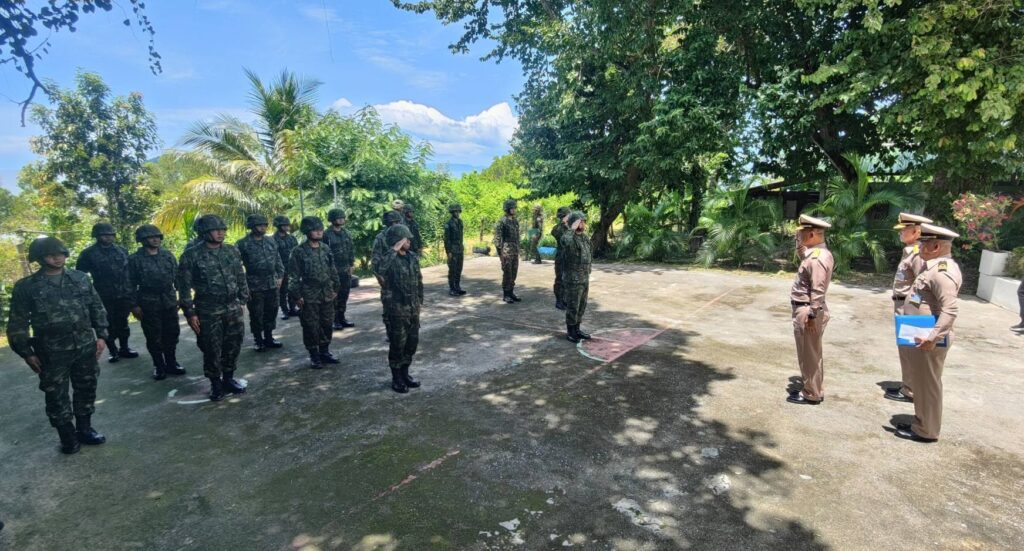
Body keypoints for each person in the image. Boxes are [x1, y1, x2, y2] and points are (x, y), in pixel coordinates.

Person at [8, 236, 109, 454]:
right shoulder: (26, 287)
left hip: (84, 345)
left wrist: (102, 335)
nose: (57, 258)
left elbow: (96, 307)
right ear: (39, 258)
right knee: (56, 394)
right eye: (51, 255)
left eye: (60, 254)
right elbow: (18, 323)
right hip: (51, 352)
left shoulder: (80, 278)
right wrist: (26, 352)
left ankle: (85, 429)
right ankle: (67, 436)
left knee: (86, 387)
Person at [893, 224, 962, 443]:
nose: (920, 246)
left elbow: (950, 310)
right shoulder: (932, 267)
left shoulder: (942, 272)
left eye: (924, 243)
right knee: (922, 384)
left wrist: (933, 338)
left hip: (928, 339)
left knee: (928, 385)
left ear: (935, 246)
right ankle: (921, 422)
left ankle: (926, 430)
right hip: (921, 334)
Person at [177, 214, 250, 401]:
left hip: (232, 306)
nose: (221, 233)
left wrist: (242, 300)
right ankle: (215, 383)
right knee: (211, 347)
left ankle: (229, 379)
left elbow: (240, 276)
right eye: (216, 230)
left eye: (223, 229)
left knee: (233, 344)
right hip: (208, 309)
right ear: (204, 232)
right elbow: (184, 288)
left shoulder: (231, 251)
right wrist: (190, 313)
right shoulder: (191, 255)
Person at [786, 214, 835, 405]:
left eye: (802, 233)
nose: (799, 236)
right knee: (809, 353)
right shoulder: (815, 254)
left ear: (812, 234)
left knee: (809, 355)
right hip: (806, 308)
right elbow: (802, 256)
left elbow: (818, 289)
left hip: (807, 310)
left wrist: (813, 315)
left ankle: (812, 393)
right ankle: (813, 388)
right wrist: (798, 242)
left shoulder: (817, 258)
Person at [128, 224, 185, 380]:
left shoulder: (167, 255)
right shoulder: (134, 259)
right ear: (142, 240)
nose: (155, 239)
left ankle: (171, 363)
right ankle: (159, 366)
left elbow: (178, 277)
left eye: (157, 236)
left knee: (172, 333)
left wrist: (181, 296)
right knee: (154, 336)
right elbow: (129, 284)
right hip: (148, 301)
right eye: (151, 237)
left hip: (169, 299)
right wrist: (134, 305)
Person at [885, 212, 932, 402]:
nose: (900, 233)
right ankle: (908, 384)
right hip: (902, 303)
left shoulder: (918, 254)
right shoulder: (910, 251)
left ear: (916, 232)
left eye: (904, 230)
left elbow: (922, 285)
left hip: (908, 305)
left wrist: (912, 308)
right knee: (905, 348)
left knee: (910, 349)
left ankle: (911, 389)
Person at [76, 222, 138, 363]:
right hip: (102, 295)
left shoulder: (121, 250)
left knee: (122, 322)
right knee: (107, 323)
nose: (108, 237)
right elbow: (80, 275)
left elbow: (128, 272)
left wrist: (130, 291)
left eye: (111, 235)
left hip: (122, 294)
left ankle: (124, 348)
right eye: (104, 235)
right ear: (97, 236)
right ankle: (113, 350)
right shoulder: (88, 254)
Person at [289, 216, 341, 369]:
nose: (319, 232)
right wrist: (297, 296)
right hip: (309, 294)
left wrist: (336, 288)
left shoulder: (325, 248)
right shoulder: (298, 251)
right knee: (310, 325)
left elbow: (332, 269)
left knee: (327, 323)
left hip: (326, 292)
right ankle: (314, 354)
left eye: (320, 229)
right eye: (315, 230)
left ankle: (324, 351)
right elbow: (293, 276)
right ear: (307, 231)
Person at [378, 224, 424, 393]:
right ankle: (396, 378)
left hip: (412, 308)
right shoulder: (389, 259)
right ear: (397, 241)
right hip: (396, 309)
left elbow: (418, 280)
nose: (409, 241)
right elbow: (379, 269)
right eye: (405, 239)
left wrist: (419, 301)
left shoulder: (412, 257)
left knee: (412, 343)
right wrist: (394, 250)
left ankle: (405, 373)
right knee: (398, 344)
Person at [236, 214, 286, 352]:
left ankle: (269, 337)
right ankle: (258, 340)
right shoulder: (242, 244)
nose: (262, 227)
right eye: (259, 225)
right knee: (256, 313)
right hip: (254, 284)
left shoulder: (270, 241)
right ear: (252, 226)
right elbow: (237, 266)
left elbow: (277, 259)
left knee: (272, 311)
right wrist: (243, 287)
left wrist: (280, 276)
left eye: (264, 225)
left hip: (272, 283)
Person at [561, 211, 593, 343]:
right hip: (572, 279)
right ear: (574, 223)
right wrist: (571, 229)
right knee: (573, 306)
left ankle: (577, 329)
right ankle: (571, 332)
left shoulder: (584, 238)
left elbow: (589, 253)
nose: (583, 224)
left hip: (584, 277)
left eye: (583, 221)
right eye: (580, 221)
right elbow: (565, 242)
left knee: (581, 306)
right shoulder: (568, 237)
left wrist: (588, 270)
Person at [373, 211, 405, 339]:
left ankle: (403, 331)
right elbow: (375, 260)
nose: (395, 225)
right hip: (388, 278)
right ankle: (390, 333)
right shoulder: (380, 238)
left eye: (397, 222)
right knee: (389, 307)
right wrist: (379, 276)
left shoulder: (403, 234)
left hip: (403, 275)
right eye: (392, 223)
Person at [324, 208, 356, 330]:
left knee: (344, 294)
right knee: (334, 295)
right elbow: (324, 252)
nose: (342, 220)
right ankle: (334, 320)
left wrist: (351, 264)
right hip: (333, 270)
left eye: (343, 218)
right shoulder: (326, 234)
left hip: (345, 269)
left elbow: (351, 249)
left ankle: (342, 318)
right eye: (339, 218)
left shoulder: (346, 233)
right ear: (332, 219)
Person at [494, 198, 522, 303]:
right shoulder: (502, 222)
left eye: (515, 208)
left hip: (514, 250)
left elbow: (517, 236)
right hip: (506, 251)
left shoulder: (515, 221)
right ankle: (506, 294)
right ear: (507, 209)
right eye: (512, 208)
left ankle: (511, 292)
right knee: (507, 273)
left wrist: (518, 248)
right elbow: (497, 239)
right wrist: (500, 254)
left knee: (514, 272)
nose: (514, 210)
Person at [273, 216, 301, 320]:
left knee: (292, 288)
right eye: (284, 225)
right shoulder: (273, 239)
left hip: (292, 267)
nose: (286, 227)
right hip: (280, 268)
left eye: (287, 225)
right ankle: (285, 310)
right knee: (282, 291)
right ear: (278, 226)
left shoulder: (292, 238)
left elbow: (297, 251)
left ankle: (292, 308)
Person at [444, 203, 467, 296]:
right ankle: (452, 288)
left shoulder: (460, 222)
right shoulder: (448, 224)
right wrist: (448, 251)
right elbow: (447, 239)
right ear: (452, 212)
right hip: (452, 250)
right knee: (452, 270)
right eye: (455, 212)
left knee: (459, 269)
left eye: (458, 211)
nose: (457, 213)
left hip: (459, 249)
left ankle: (457, 287)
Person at [551, 206, 571, 310]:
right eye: (568, 215)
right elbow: (560, 236)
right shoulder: (557, 228)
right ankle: (559, 300)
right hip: (561, 256)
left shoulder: (570, 227)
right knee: (560, 279)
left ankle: (565, 299)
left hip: (570, 256)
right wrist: (565, 225)